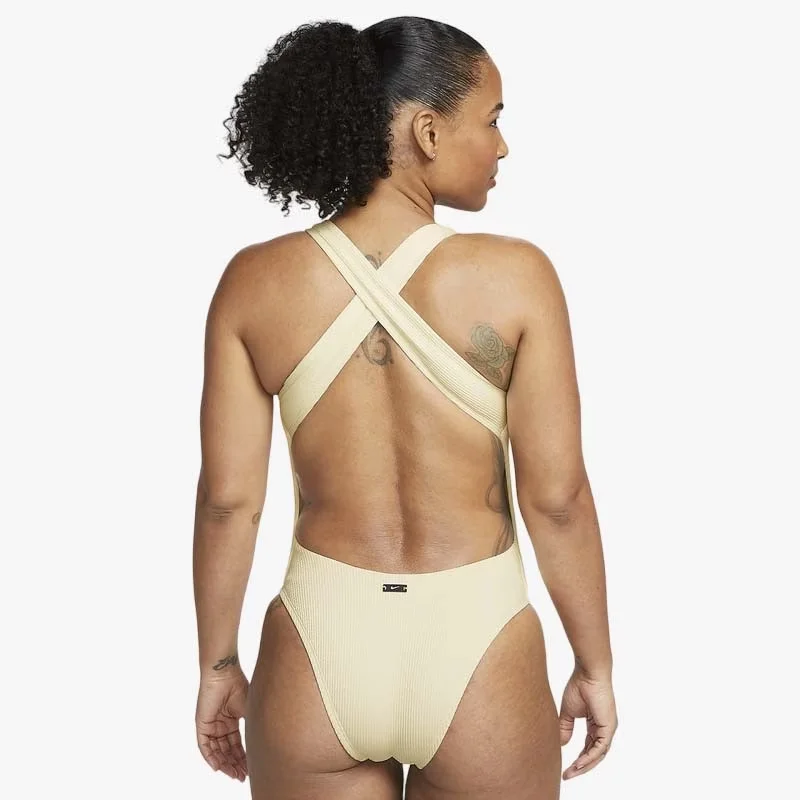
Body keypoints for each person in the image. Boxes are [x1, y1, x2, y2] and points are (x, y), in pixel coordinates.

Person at [193, 15, 617, 800]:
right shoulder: (516, 278)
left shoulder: (254, 284)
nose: (502, 146)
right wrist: (594, 664)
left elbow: (228, 502)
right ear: (428, 131)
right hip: (478, 640)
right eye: (492, 119)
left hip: (318, 645)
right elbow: (557, 498)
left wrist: (218, 664)